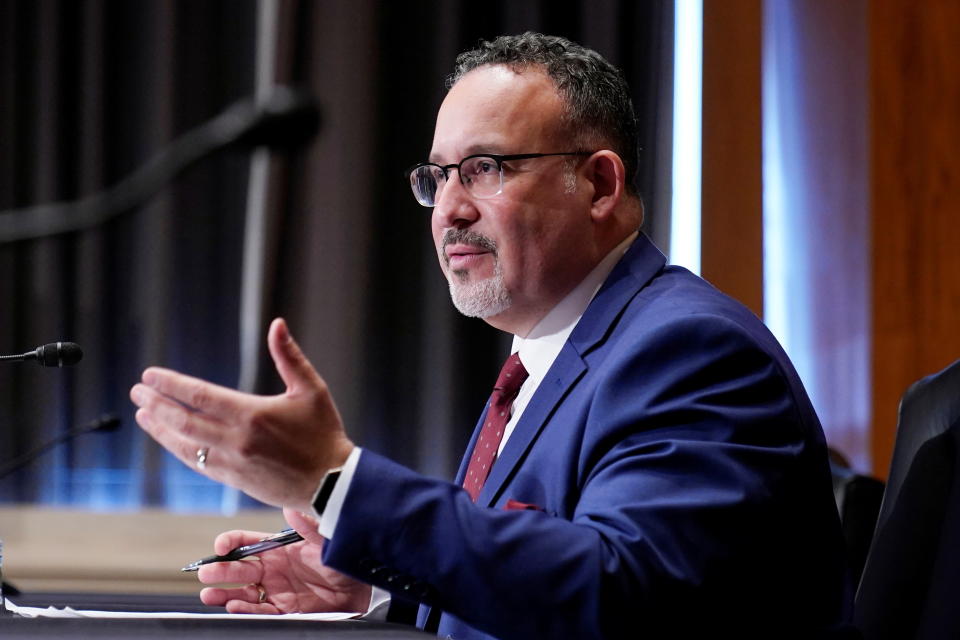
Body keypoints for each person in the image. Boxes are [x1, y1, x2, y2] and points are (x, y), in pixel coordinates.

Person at [131, 33, 853, 639]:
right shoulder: (548, 357)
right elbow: (535, 587)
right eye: (437, 178)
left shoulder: (690, 352)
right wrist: (378, 593)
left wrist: (339, 482)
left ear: (599, 185)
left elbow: (620, 596)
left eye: (484, 169)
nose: (448, 209)